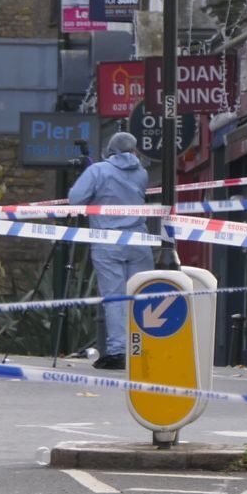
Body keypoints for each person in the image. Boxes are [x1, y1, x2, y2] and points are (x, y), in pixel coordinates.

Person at [68, 131, 151, 370]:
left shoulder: (98, 171)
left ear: (110, 149)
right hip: (138, 240)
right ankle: (142, 347)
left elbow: (76, 199)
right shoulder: (142, 173)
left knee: (115, 297)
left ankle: (118, 351)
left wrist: (89, 176)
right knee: (140, 296)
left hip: (108, 241)